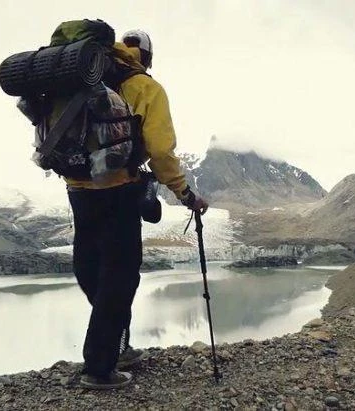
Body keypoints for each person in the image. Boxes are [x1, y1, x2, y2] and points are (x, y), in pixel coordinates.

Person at [67, 29, 209, 389]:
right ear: (146, 56)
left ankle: (116, 342)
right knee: (121, 276)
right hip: (118, 190)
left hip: (78, 189)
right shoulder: (147, 88)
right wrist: (185, 195)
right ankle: (100, 367)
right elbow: (160, 151)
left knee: (90, 268)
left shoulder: (82, 79)